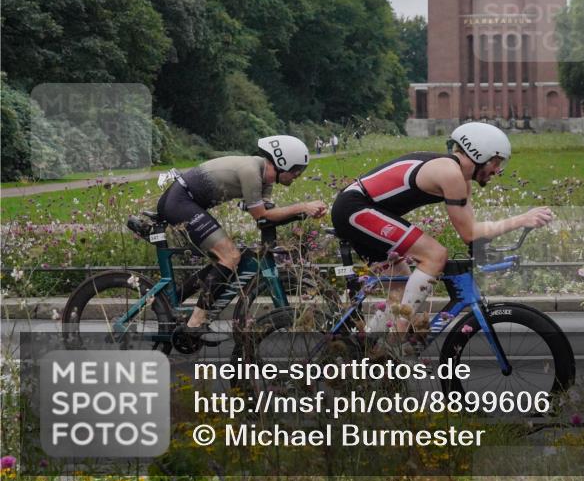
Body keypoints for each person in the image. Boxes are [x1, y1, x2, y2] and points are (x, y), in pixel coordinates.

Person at [330, 122, 554, 334]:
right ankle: (397, 340)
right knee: (435, 255)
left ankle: (369, 351)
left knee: (399, 294)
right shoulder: (451, 174)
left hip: (359, 208)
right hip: (355, 208)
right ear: (479, 154)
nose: (497, 170)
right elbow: (469, 233)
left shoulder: (461, 179)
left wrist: (492, 245)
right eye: (496, 162)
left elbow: (472, 234)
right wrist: (521, 219)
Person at [156, 136, 327, 341]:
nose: (299, 175)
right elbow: (261, 215)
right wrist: (302, 207)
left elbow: (267, 216)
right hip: (180, 202)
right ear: (283, 163)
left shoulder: (265, 179)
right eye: (297, 169)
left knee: (225, 260)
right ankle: (195, 323)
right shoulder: (251, 172)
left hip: (186, 201)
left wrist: (304, 213)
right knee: (230, 256)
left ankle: (170, 300)